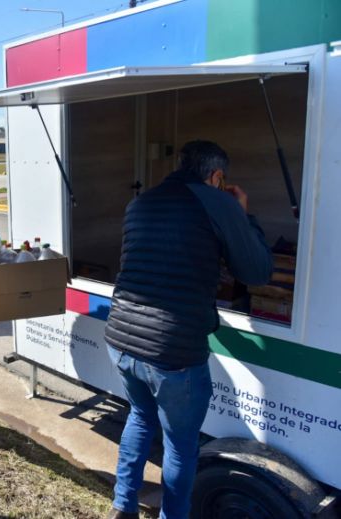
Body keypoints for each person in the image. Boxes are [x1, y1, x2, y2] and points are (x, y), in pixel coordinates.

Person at [103, 141, 273, 519]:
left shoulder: (142, 202)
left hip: (122, 337)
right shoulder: (220, 202)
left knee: (140, 416)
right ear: (216, 176)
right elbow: (257, 272)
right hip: (172, 351)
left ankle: (123, 506)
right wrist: (242, 215)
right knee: (180, 445)